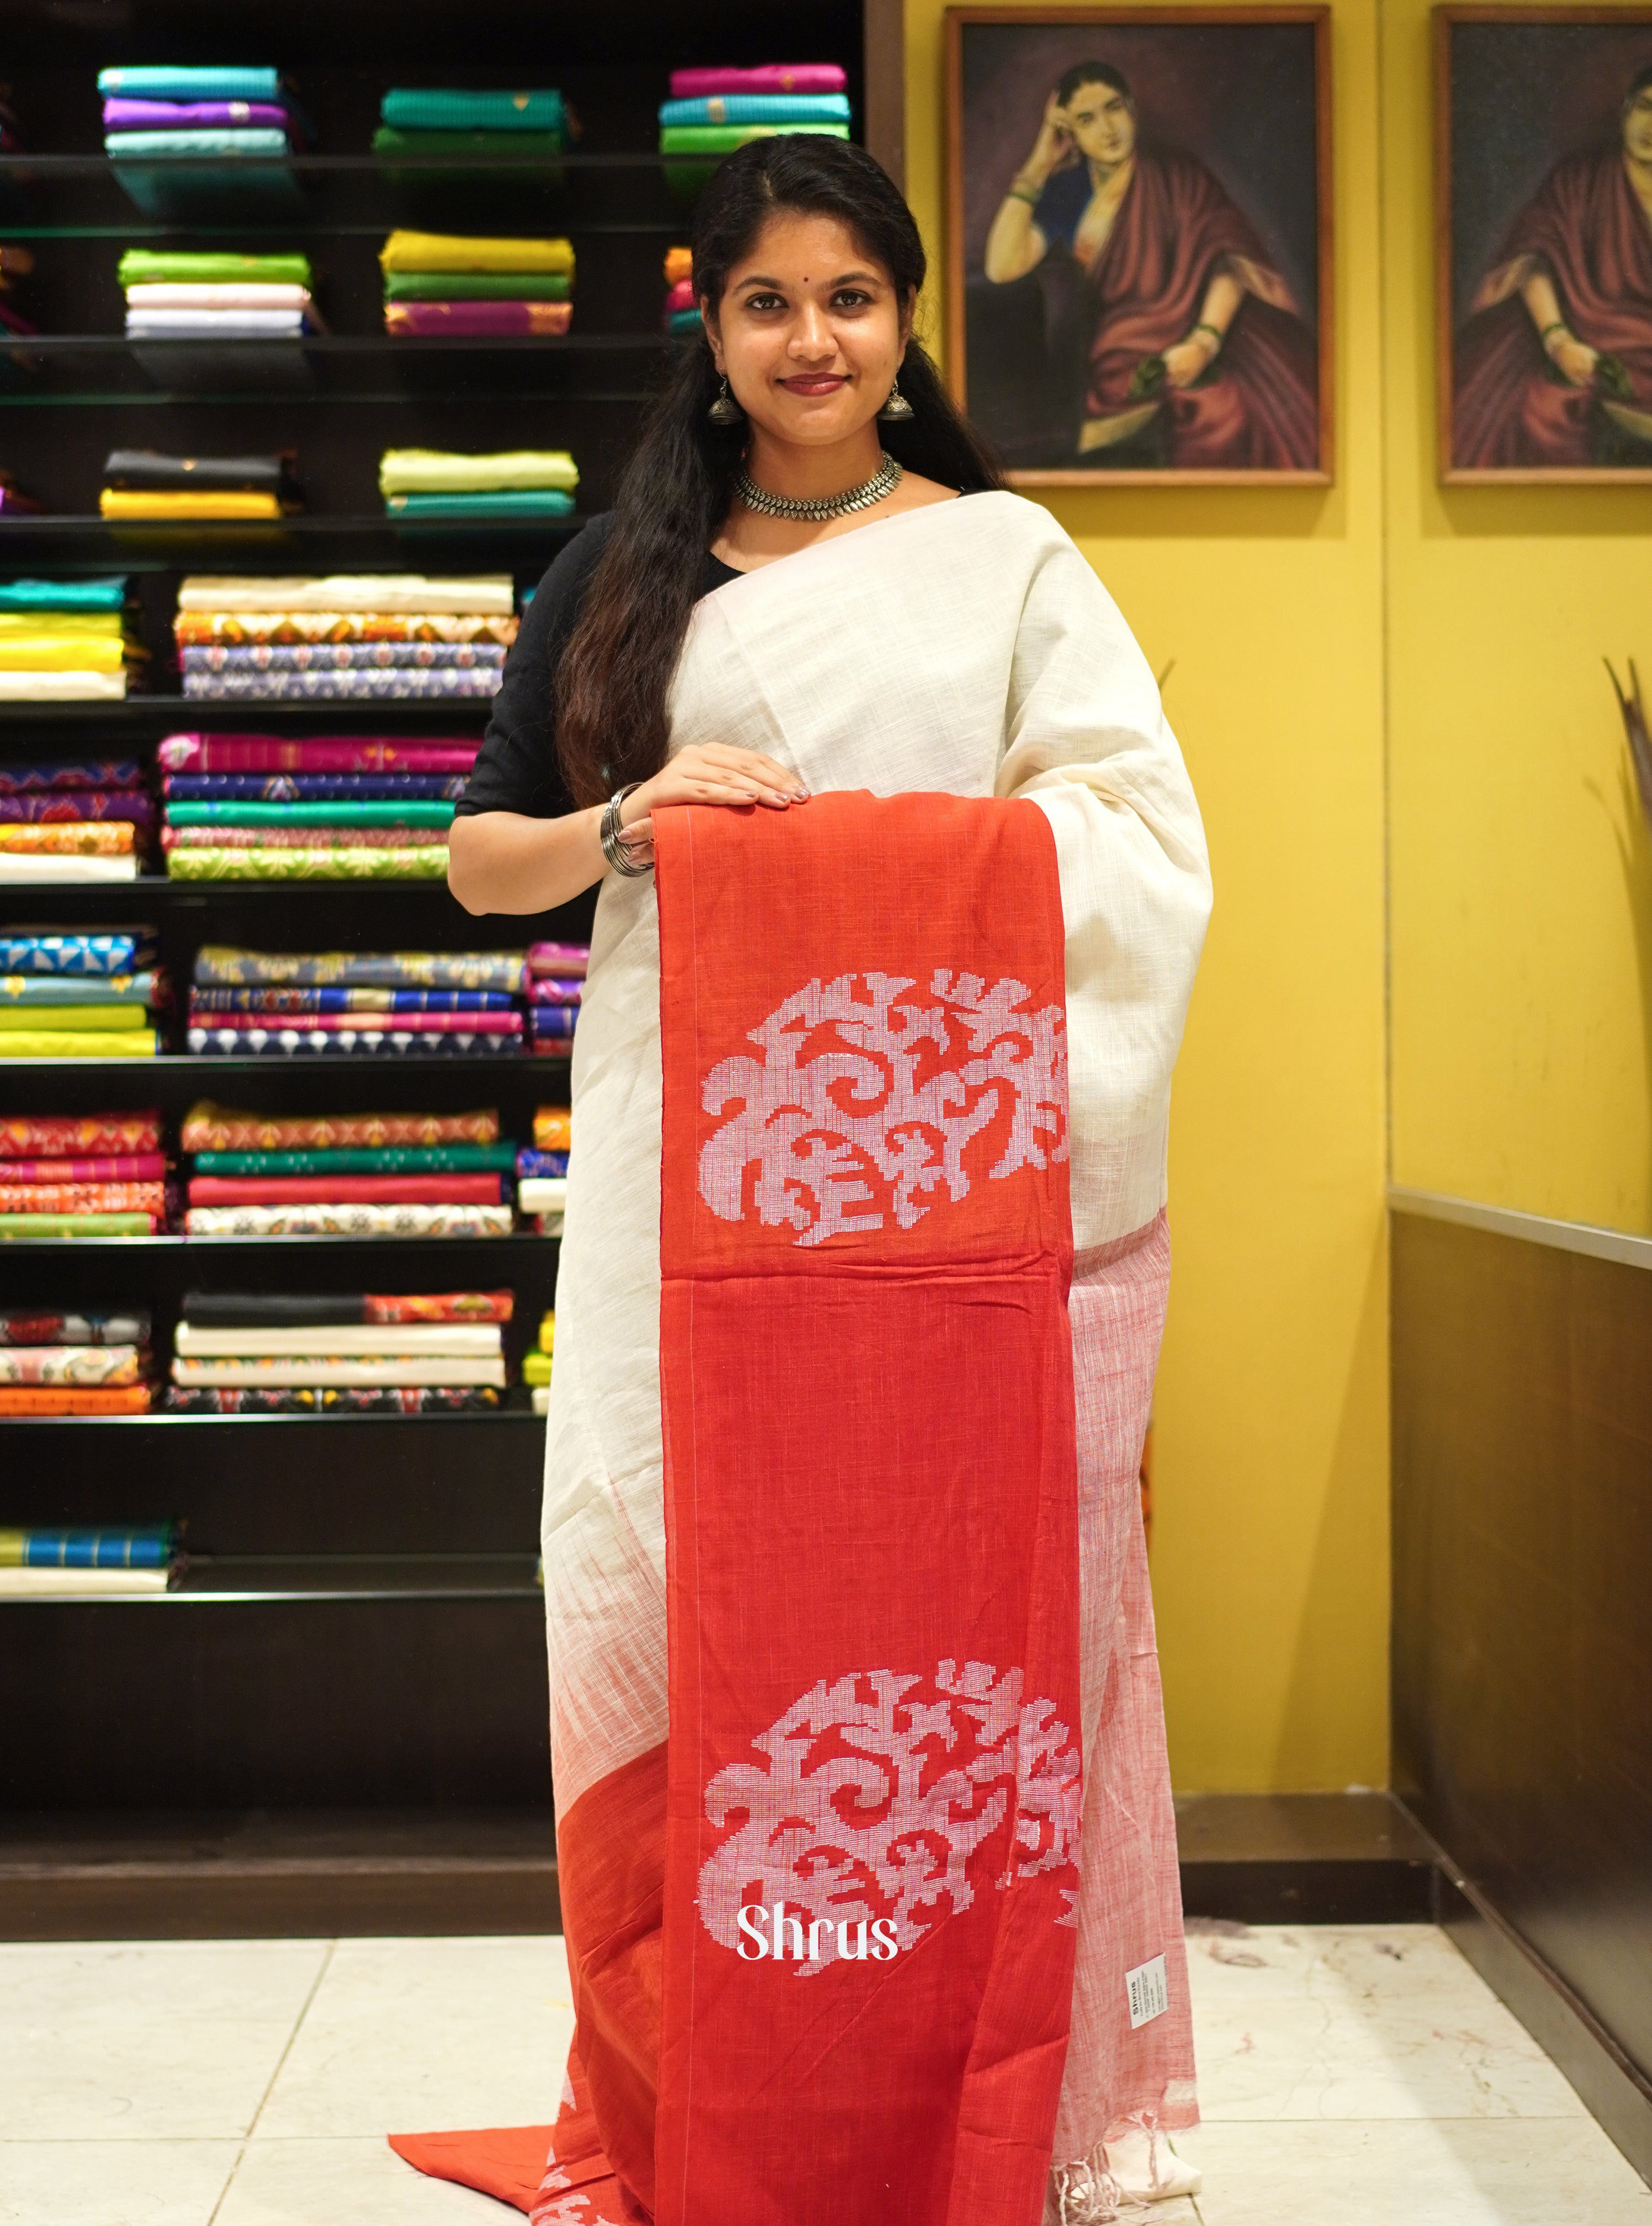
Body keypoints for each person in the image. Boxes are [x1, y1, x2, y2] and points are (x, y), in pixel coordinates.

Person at [449, 133, 1211, 2225]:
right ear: (706, 328)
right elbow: (476, 859)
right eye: (766, 299)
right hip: (671, 1185)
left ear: (902, 327)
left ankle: (938, 2103)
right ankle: (705, 2097)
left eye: (849, 299)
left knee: (932, 1622)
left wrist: (869, 857)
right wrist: (637, 823)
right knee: (662, 1578)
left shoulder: (1001, 556)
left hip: (925, 1201)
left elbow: (1134, 844)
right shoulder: (616, 573)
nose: (810, 339)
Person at [982, 59, 1319, 468]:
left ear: (1132, 110)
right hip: (1112, 363)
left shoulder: (1179, 178)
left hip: (1199, 343)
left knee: (1225, 412)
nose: (1108, 128)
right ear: (1067, 133)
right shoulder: (1068, 194)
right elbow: (1002, 267)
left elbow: (1229, 262)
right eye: (1087, 119)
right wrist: (1039, 164)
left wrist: (1202, 343)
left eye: (1114, 108)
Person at [1452, 64, 1652, 469]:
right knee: (1541, 415)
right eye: (1646, 107)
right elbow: (1533, 258)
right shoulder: (1580, 182)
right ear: (1626, 111)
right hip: (1593, 350)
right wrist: (1558, 339)